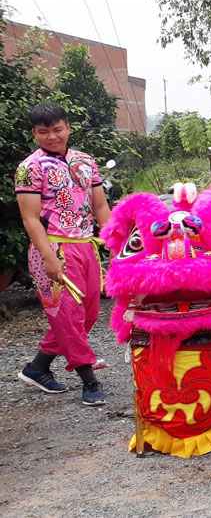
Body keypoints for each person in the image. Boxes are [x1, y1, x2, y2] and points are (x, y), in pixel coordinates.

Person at [14, 103, 110, 406]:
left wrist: (115, 241)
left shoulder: (85, 161)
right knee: (67, 317)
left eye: (57, 129)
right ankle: (88, 379)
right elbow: (30, 218)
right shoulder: (30, 167)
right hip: (53, 246)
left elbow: (100, 207)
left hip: (85, 245)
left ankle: (38, 367)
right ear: (34, 133)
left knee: (88, 314)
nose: (52, 136)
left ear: (67, 127)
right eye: (44, 132)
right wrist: (48, 257)